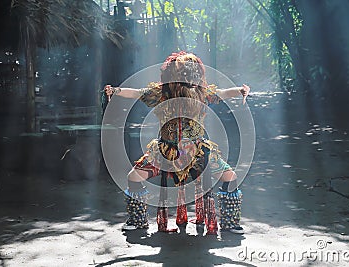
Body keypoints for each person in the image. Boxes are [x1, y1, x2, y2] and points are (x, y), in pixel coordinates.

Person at [104, 51, 250, 234]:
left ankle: (231, 222)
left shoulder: (201, 92)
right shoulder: (162, 93)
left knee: (231, 178)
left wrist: (240, 91)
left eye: (192, 74)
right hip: (166, 151)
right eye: (183, 74)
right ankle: (137, 220)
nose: (188, 78)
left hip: (197, 151)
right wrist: (116, 91)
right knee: (134, 177)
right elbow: (137, 93)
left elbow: (221, 93)